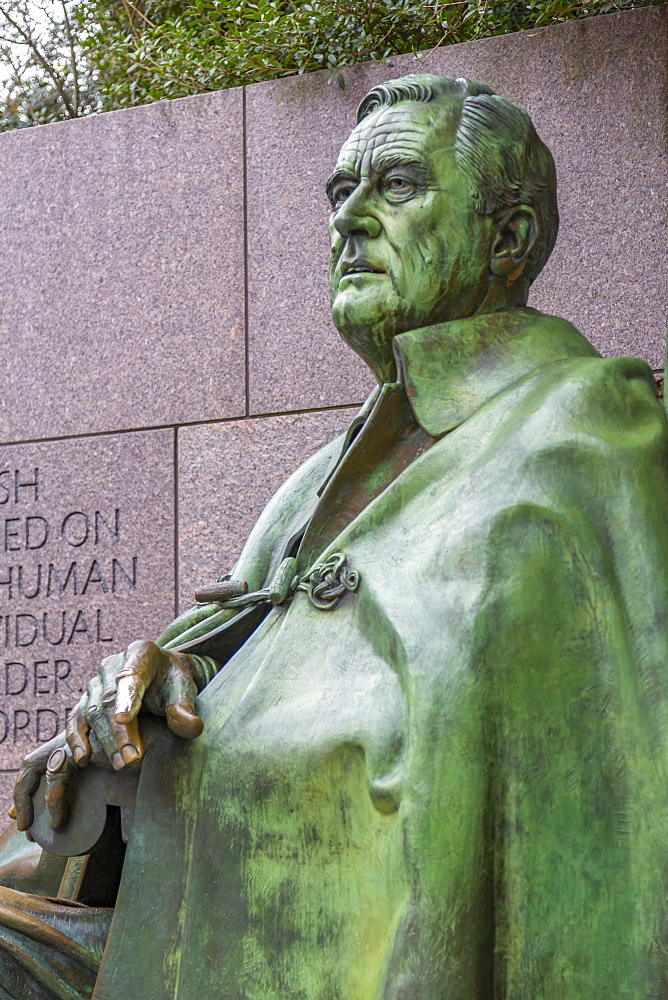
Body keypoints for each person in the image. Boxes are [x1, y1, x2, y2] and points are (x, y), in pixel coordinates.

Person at [2, 73, 668, 1000]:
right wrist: (174, 681)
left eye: (396, 185)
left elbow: (611, 827)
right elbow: (246, 655)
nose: (349, 219)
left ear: (507, 238)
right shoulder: (329, 469)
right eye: (338, 193)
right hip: (173, 918)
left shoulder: (585, 437)